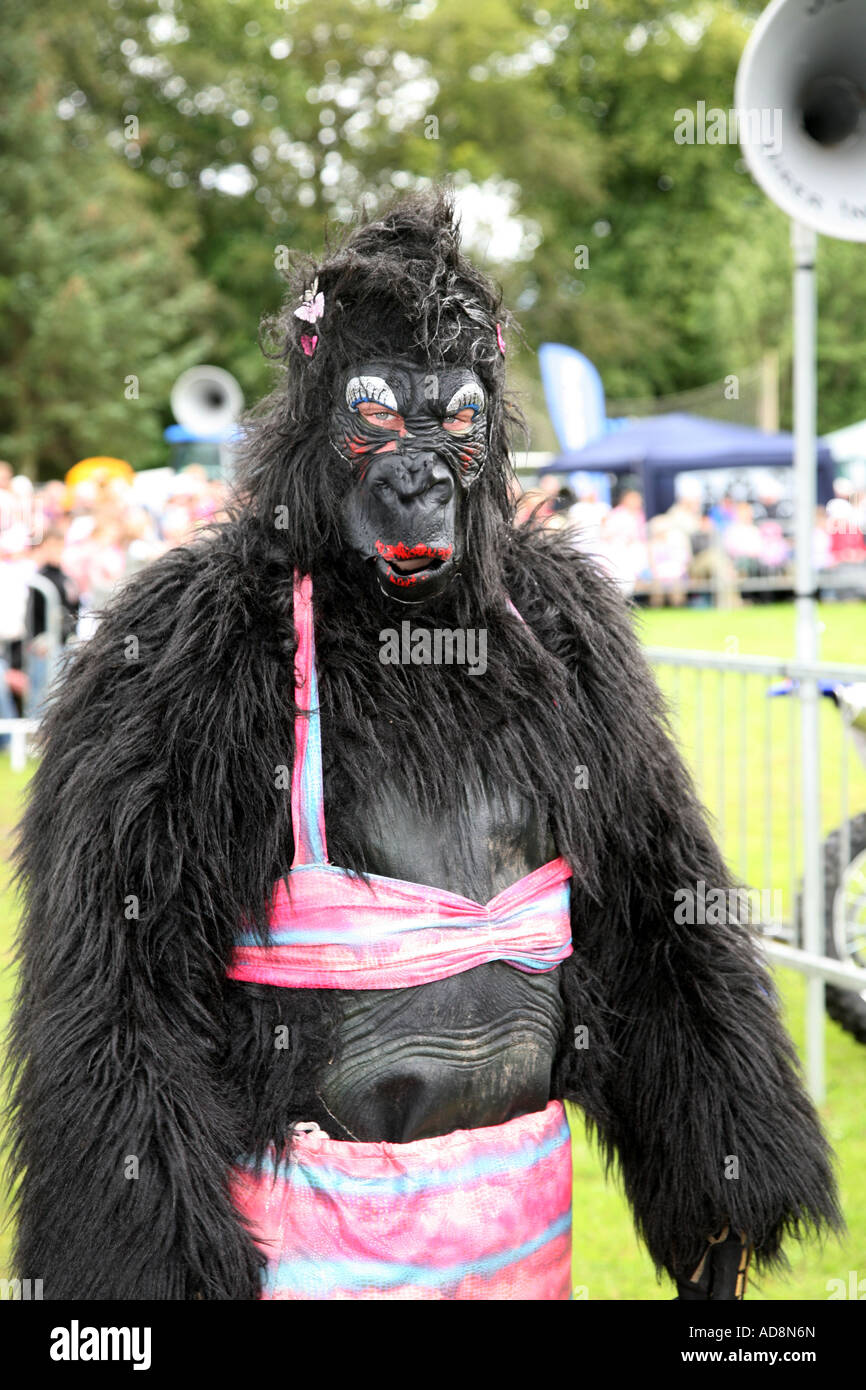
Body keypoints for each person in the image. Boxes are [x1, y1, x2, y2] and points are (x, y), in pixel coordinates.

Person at [9, 189, 840, 1301]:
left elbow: (657, 912)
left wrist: (722, 1171)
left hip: (514, 1231)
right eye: (376, 420)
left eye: (451, 422)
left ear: (491, 435)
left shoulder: (554, 629)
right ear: (312, 429)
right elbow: (110, 1006)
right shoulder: (194, 643)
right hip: (306, 1250)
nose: (415, 469)